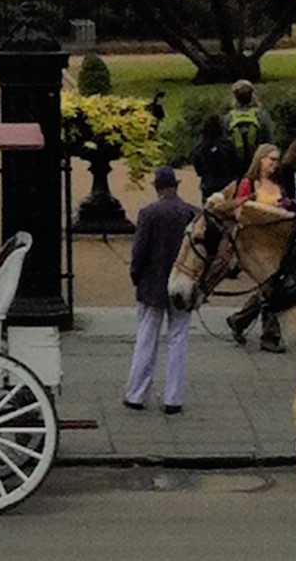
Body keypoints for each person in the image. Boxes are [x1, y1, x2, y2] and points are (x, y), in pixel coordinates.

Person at [123, 166, 198, 415]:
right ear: (176, 186)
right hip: (182, 285)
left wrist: (136, 275)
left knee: (146, 339)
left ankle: (136, 394)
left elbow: (139, 252)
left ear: (157, 188)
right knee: (179, 339)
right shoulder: (190, 213)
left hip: (152, 283)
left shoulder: (149, 213)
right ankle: (173, 398)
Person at [226, 144, 287, 353]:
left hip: (276, 241)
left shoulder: (277, 184)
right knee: (270, 285)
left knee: (269, 286)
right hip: (256, 243)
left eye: (277, 160)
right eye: (271, 159)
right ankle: (269, 335)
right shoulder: (249, 184)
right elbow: (239, 212)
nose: (274, 164)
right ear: (260, 160)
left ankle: (240, 320)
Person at [190, 113, 242, 203]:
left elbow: (198, 171)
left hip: (208, 188)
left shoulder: (200, 148)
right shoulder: (228, 145)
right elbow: (236, 166)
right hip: (227, 189)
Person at [225, 80, 272, 171]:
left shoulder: (229, 117)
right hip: (257, 161)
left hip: (236, 163)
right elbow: (268, 140)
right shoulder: (260, 115)